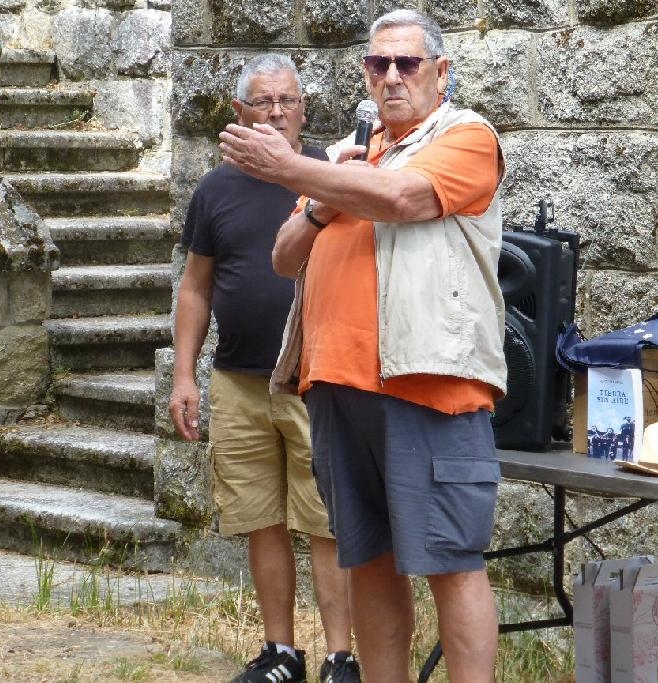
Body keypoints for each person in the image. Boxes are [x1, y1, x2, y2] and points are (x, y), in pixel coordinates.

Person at [217, 10, 506, 683]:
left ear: (441, 72)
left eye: (408, 63)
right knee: (368, 559)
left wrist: (296, 170)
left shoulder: (466, 135)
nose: (392, 76)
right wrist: (318, 195)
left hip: (426, 386)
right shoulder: (347, 155)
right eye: (379, 64)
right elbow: (285, 257)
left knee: (451, 561)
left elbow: (401, 197)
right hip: (337, 386)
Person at [168, 54, 360, 683]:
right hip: (238, 381)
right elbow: (195, 287)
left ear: (304, 108)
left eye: (288, 101)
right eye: (263, 101)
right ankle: (282, 653)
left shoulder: (331, 177)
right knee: (261, 518)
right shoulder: (215, 190)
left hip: (314, 380)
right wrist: (184, 375)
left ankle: (341, 658)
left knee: (326, 522)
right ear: (239, 113)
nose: (277, 113)